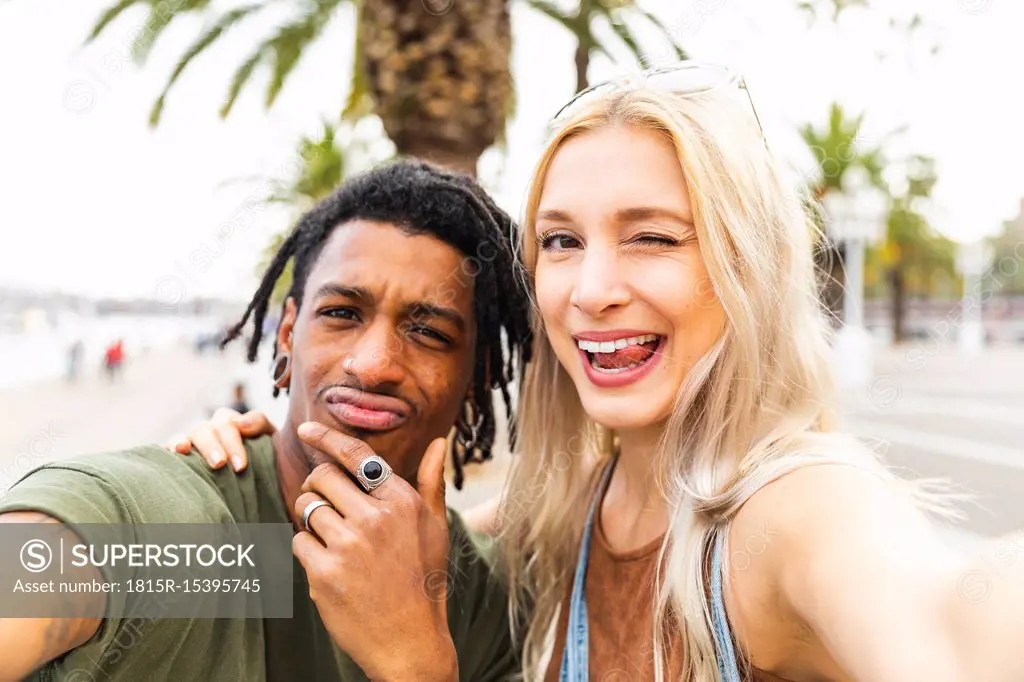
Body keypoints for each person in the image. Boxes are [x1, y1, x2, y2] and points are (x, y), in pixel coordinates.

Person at [185, 63, 1024, 681]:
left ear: (750, 267)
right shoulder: (560, 510)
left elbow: (958, 628)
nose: (590, 291)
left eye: (652, 237)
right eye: (561, 241)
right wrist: (238, 476)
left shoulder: (796, 508)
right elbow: (316, 565)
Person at [0, 159, 532, 681]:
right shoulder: (198, 541)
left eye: (429, 333)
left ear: (479, 377)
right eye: (342, 313)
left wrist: (417, 667)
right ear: (286, 337)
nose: (372, 365)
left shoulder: (479, 601)